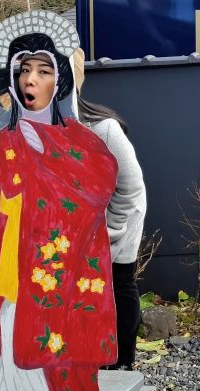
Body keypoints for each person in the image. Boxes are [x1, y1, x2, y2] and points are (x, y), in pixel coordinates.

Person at [0, 11, 119, 391]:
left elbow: (94, 192)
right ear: (12, 77)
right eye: (24, 70)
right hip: (2, 295)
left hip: (54, 301)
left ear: (58, 80)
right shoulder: (1, 146)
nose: (31, 80)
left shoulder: (87, 148)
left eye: (43, 71)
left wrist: (36, 170)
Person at [73, 48, 147, 371]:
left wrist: (108, 234)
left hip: (115, 230)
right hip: (73, 240)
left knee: (119, 285)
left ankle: (123, 361)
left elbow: (131, 186)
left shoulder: (102, 129)